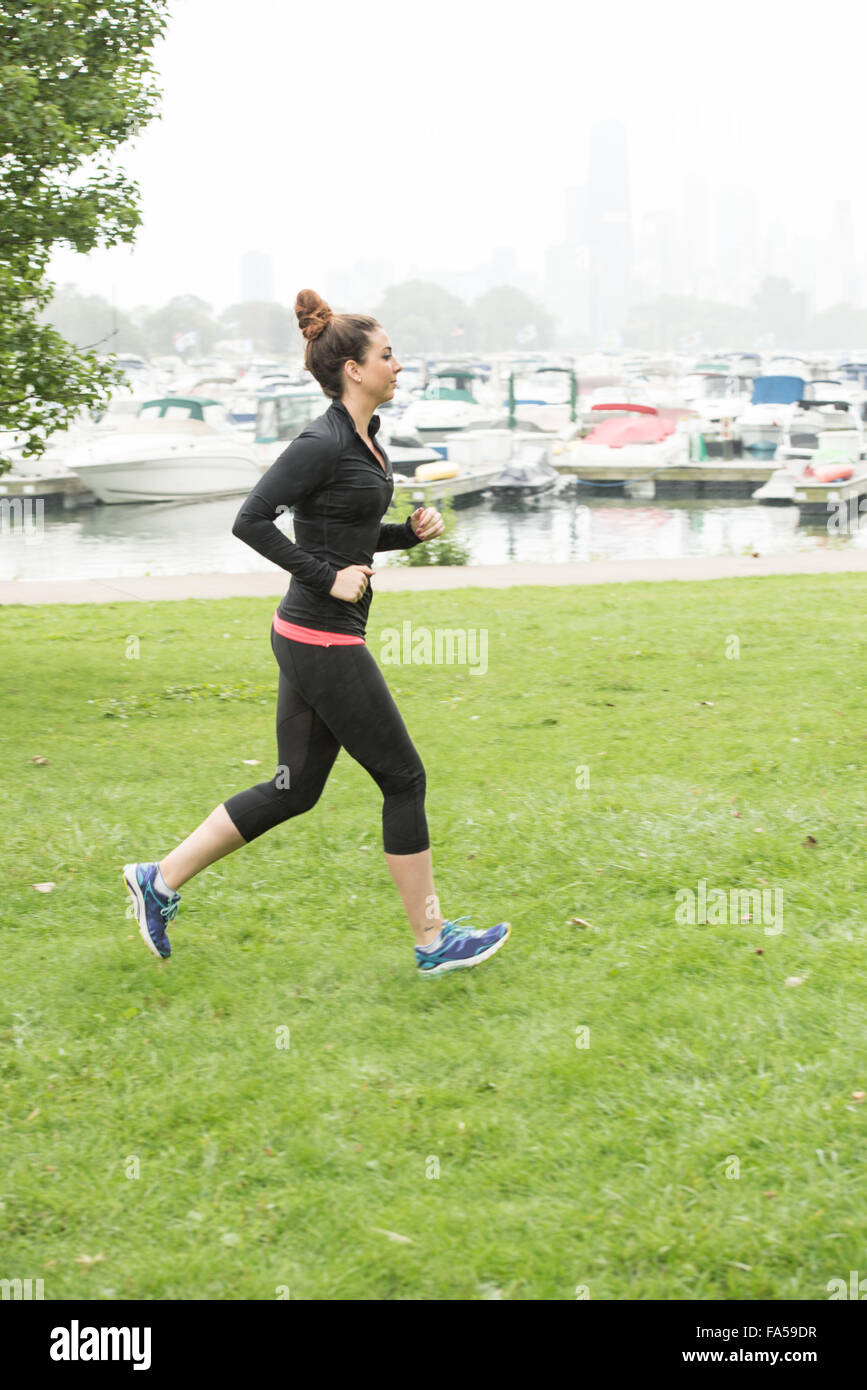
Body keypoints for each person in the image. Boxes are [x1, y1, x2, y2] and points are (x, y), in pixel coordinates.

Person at [122, 289, 511, 978]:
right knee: (403, 779)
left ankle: (158, 879)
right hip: (320, 637)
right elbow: (251, 519)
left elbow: (344, 532)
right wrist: (326, 578)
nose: (398, 364)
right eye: (387, 355)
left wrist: (404, 536)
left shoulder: (365, 437)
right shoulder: (320, 440)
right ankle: (431, 943)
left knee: (293, 788)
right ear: (354, 369)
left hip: (308, 633)